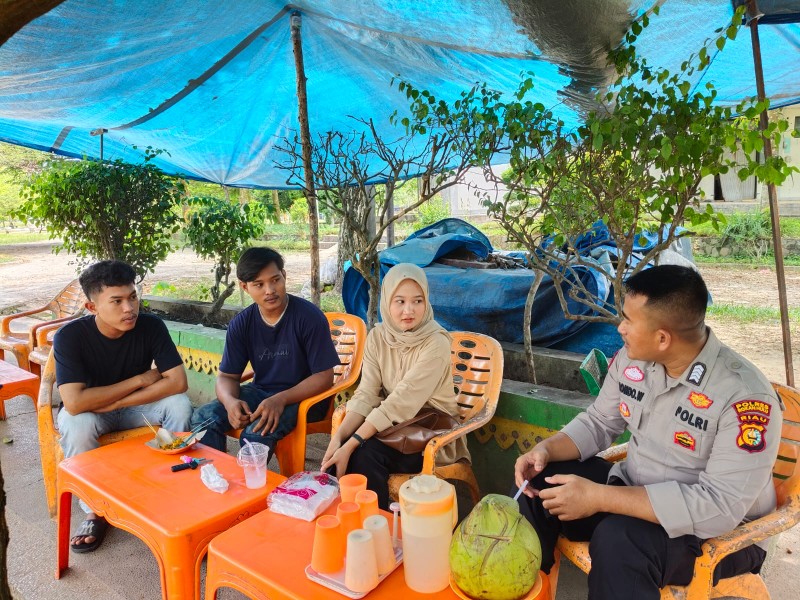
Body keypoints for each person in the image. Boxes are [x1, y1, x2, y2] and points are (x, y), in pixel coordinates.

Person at [514, 265, 783, 600]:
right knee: (541, 479)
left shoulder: (745, 397)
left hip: (722, 534)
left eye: (628, 320)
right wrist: (547, 450)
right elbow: (600, 421)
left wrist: (598, 497)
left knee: (619, 541)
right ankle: (525, 591)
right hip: (637, 495)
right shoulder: (632, 360)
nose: (620, 327)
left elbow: (718, 507)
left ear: (662, 338)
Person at [54, 260, 193, 554]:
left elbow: (178, 382)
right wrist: (140, 379)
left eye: (132, 297)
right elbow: (75, 402)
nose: (129, 308)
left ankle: (175, 488)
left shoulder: (151, 326)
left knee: (179, 404)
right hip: (92, 414)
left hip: (132, 408)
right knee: (74, 422)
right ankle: (94, 510)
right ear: (92, 308)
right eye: (116, 301)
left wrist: (120, 401)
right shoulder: (70, 337)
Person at [321, 263, 468, 509]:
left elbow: (401, 402)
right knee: (344, 455)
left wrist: (352, 443)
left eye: (417, 301)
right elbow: (366, 394)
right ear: (387, 302)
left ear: (427, 302)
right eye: (399, 301)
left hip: (430, 433)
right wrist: (338, 439)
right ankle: (361, 525)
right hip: (393, 428)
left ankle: (376, 525)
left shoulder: (436, 342)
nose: (409, 310)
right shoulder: (379, 337)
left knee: (363, 455)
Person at [191, 246, 339, 459]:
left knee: (256, 432)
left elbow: (324, 377)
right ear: (245, 287)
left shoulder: (309, 317)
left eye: (275, 280)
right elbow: (226, 376)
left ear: (284, 276)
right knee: (204, 417)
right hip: (261, 392)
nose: (269, 290)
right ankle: (213, 476)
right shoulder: (242, 324)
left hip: (305, 399)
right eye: (258, 285)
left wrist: (281, 399)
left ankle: (250, 487)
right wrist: (230, 402)